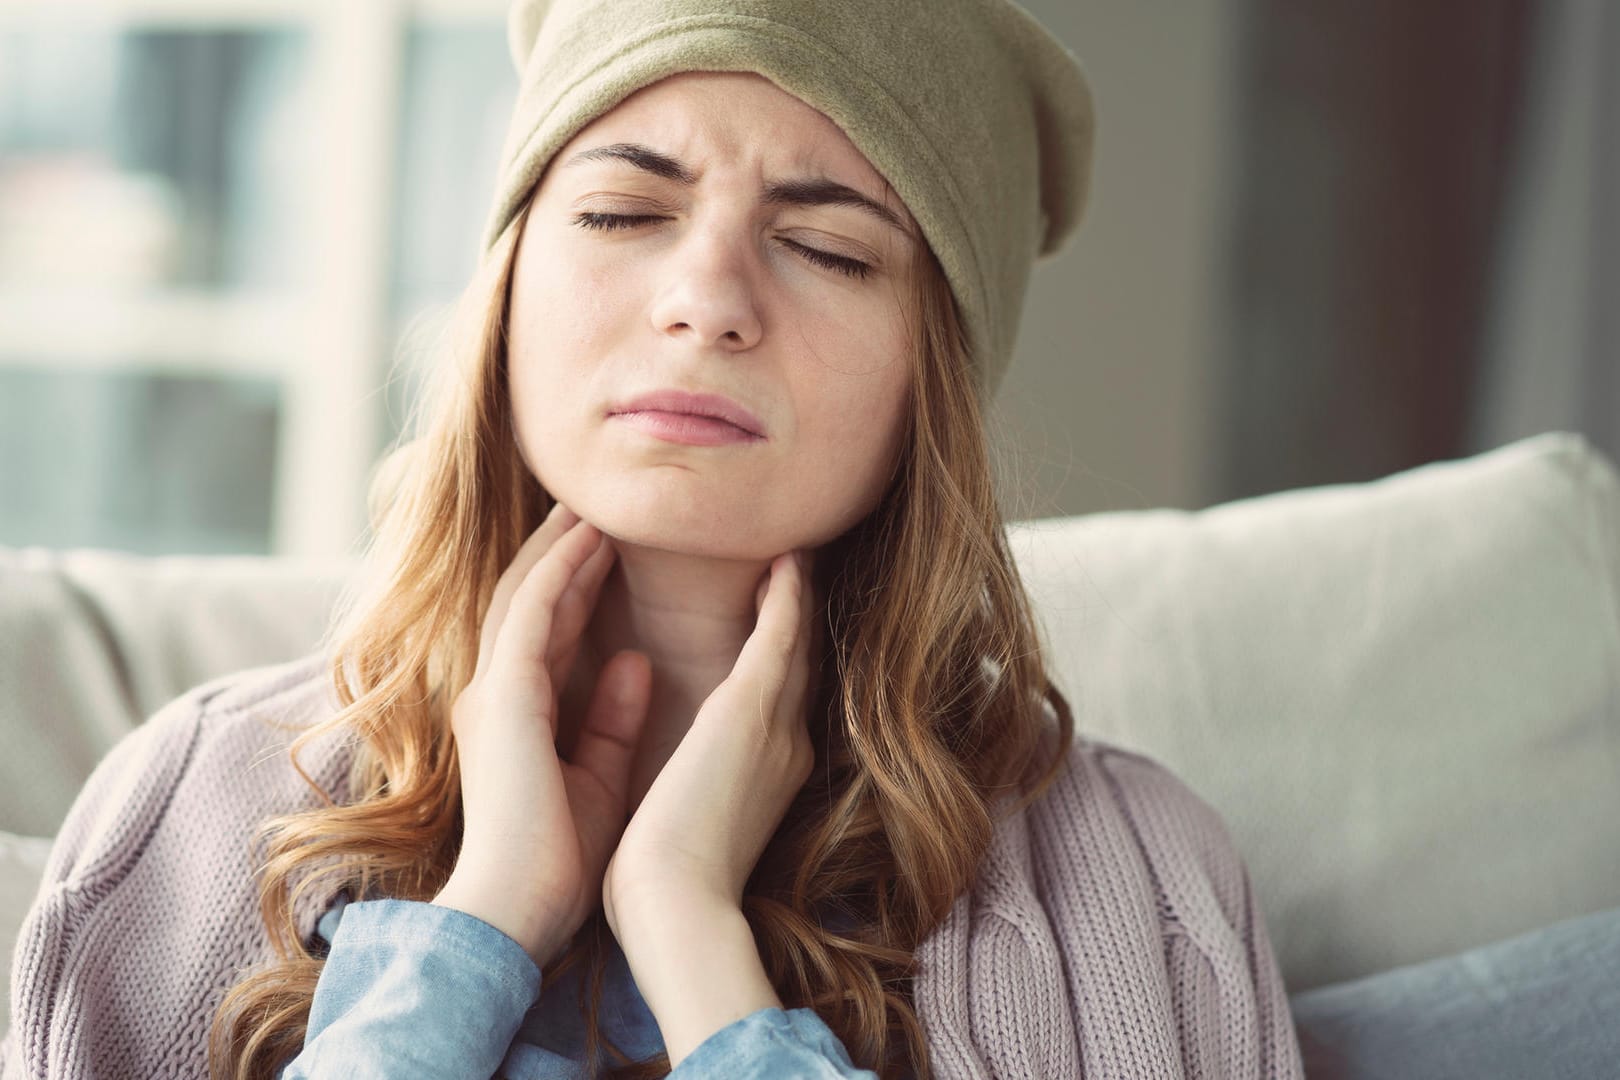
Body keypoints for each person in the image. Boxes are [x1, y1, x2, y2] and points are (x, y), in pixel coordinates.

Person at [2, 1, 1305, 1078]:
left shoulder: (1142, 884)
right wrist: (486, 919)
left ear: (938, 385)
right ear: (508, 289)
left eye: (826, 247)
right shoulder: (184, 808)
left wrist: (693, 939)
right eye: (625, 214)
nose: (706, 301)